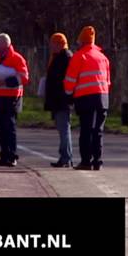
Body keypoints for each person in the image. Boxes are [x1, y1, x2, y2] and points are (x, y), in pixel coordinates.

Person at [64, 26, 111, 170]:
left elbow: (70, 80)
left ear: (81, 41)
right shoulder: (103, 57)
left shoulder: (79, 56)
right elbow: (108, 80)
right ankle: (97, 161)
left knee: (86, 130)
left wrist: (68, 93)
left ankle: (86, 161)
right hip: (102, 98)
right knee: (98, 131)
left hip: (85, 98)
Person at [0, 33, 29, 167]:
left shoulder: (16, 58)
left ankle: (11, 156)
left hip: (11, 98)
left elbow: (24, 77)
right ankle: (4, 155)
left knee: (9, 128)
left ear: (4, 44)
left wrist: (6, 81)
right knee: (1, 128)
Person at [43, 33, 74, 167]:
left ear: (59, 44)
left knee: (64, 128)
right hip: (58, 99)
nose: (51, 46)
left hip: (62, 99)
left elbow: (62, 80)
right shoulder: (57, 57)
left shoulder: (65, 57)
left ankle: (66, 157)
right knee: (62, 128)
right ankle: (65, 156)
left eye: (53, 43)